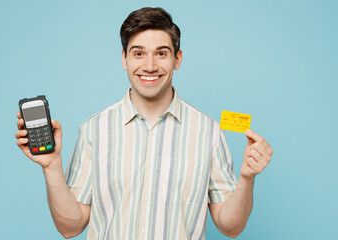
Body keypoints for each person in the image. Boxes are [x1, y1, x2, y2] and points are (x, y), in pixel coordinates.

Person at [15, 7, 273, 239]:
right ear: (125, 59)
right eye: (139, 53)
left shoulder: (208, 132)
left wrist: (247, 178)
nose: (149, 66)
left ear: (177, 59)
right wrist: (51, 166)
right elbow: (70, 228)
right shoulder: (94, 130)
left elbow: (231, 227)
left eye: (161, 53)